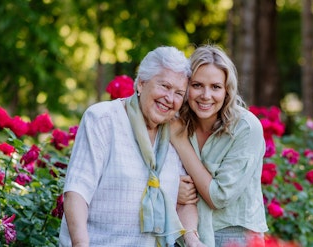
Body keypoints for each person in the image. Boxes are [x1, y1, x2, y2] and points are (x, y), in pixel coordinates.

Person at [59, 46, 205, 247]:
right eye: (164, 86)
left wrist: (192, 240)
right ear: (141, 84)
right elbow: (77, 191)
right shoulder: (103, 119)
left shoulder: (174, 134)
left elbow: (186, 201)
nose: (170, 99)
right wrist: (80, 243)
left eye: (179, 93)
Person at [171, 45, 268, 247]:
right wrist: (171, 187)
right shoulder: (175, 122)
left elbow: (219, 196)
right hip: (182, 234)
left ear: (227, 90)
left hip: (234, 235)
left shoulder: (246, 128)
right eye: (197, 85)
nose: (206, 95)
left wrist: (180, 142)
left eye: (215, 87)